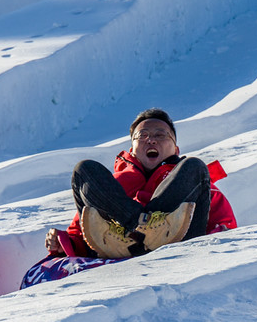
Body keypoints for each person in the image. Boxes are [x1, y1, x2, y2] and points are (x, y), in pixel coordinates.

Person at [45, 108, 237, 262]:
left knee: (195, 166)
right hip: (115, 245)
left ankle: (151, 231)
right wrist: (63, 243)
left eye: (161, 135)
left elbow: (223, 224)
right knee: (83, 169)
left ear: (176, 149)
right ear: (132, 148)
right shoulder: (111, 185)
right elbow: (81, 232)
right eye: (142, 135)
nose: (151, 139)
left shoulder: (192, 181)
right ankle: (140, 229)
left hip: (177, 243)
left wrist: (219, 234)